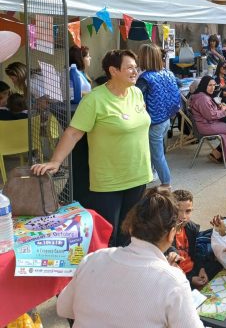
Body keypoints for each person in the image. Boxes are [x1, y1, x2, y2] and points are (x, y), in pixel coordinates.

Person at [32, 49, 152, 247]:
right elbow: (73, 133)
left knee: (130, 232)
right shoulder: (94, 100)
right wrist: (55, 161)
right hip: (109, 180)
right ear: (113, 70)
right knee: (108, 235)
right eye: (129, 67)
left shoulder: (136, 93)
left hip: (138, 175)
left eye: (135, 67)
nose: (135, 71)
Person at [57, 188, 205, 328]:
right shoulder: (173, 281)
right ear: (172, 234)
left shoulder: (93, 259)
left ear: (131, 227)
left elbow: (63, 308)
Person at [136, 43, 180, 190]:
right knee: (158, 151)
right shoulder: (168, 73)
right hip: (166, 118)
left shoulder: (145, 78)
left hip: (153, 121)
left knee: (157, 155)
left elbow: (136, 97)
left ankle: (166, 183)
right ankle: (153, 173)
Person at [165, 189, 220, 290]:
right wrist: (190, 279)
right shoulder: (165, 234)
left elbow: (195, 253)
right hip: (178, 276)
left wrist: (201, 269)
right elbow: (168, 271)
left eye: (188, 211)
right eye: (178, 211)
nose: (183, 216)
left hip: (193, 270)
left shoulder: (191, 228)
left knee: (219, 266)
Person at [189, 75, 226, 163]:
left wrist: (221, 108)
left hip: (208, 124)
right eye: (210, 85)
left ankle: (217, 153)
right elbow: (210, 115)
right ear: (204, 85)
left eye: (214, 85)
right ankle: (218, 154)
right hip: (207, 126)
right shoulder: (202, 98)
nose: (212, 88)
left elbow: (209, 112)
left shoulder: (202, 95)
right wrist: (224, 111)